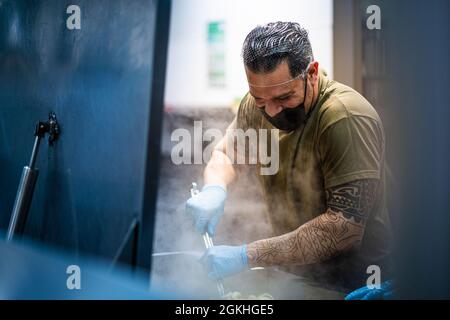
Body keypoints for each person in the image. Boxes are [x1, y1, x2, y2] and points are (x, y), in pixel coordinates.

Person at [186, 21, 392, 292]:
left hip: (355, 284)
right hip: (296, 275)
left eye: (284, 98)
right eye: (260, 99)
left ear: (312, 73)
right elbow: (227, 154)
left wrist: (246, 255)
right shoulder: (256, 104)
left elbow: (343, 230)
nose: (271, 111)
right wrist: (215, 188)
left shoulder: (344, 116)